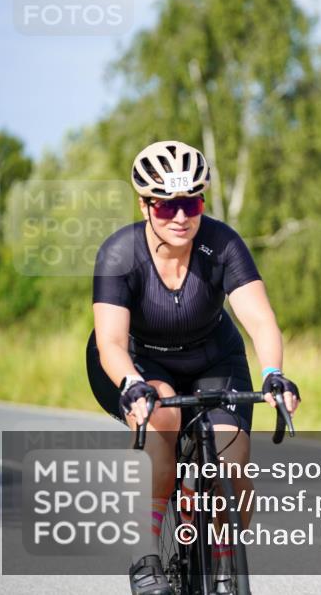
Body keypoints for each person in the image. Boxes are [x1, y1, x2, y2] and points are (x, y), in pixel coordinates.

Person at [86, 141, 301, 595]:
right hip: (138, 360)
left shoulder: (222, 243)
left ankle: (224, 563)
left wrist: (273, 374)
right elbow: (109, 341)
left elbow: (260, 318)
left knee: (233, 460)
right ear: (145, 205)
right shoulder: (120, 254)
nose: (181, 216)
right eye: (166, 206)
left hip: (213, 358)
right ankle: (145, 556)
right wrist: (131, 383)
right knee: (161, 415)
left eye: (191, 202)